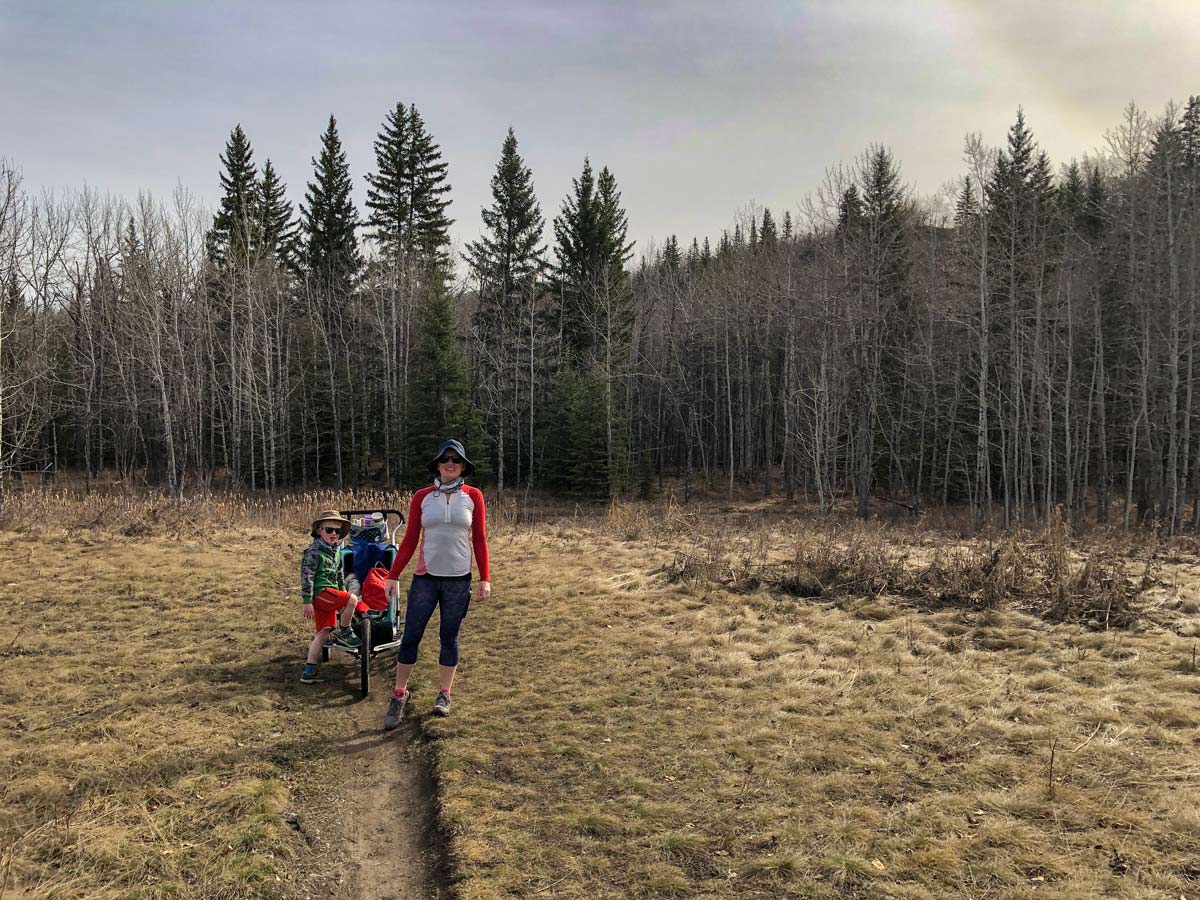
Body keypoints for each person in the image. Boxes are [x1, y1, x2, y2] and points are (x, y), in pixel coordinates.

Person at [383, 439, 491, 727]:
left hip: (459, 580)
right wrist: (393, 574)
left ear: (463, 465)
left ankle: (444, 694)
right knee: (411, 636)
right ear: (438, 464)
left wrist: (485, 578)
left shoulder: (474, 496)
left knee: (449, 637)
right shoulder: (422, 497)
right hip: (425, 579)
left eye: (456, 459)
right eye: (445, 459)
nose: (451, 463)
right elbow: (409, 540)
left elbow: (479, 539)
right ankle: (399, 694)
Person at [299, 510, 362, 684]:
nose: (334, 534)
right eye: (329, 530)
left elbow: (339, 577)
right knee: (353, 599)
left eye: (337, 531)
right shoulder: (314, 552)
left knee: (323, 633)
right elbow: (307, 577)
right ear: (319, 531)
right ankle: (344, 632)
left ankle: (309, 672)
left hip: (331, 592)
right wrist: (307, 602)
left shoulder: (335, 552)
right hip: (320, 593)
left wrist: (342, 592)